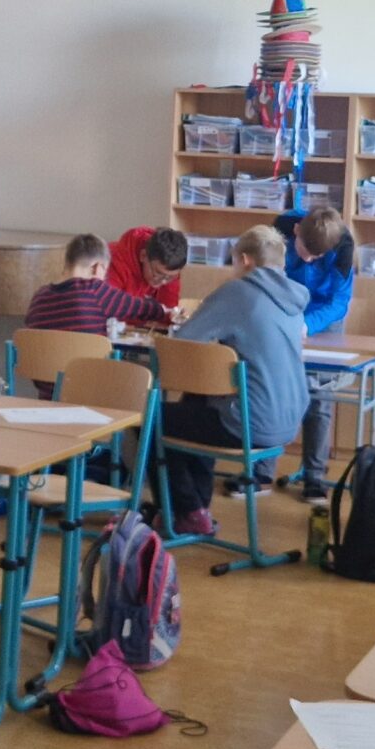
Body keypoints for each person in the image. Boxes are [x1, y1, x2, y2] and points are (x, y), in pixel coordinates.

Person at [157, 226, 310, 539]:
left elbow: (183, 342)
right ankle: (197, 510)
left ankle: (187, 510)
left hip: (250, 421)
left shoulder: (239, 291)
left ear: (245, 260)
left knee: (148, 420)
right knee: (196, 401)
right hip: (289, 421)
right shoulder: (293, 299)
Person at [282, 206, 357, 492]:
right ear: (296, 231)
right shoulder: (281, 228)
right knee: (272, 388)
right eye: (306, 252)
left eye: (318, 257)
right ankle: (260, 473)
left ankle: (314, 475)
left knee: (318, 394)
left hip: (324, 319)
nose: (310, 260)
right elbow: (268, 273)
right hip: (286, 310)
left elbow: (338, 303)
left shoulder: (343, 248)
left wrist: (307, 324)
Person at [23, 233, 174, 334]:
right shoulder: (95, 290)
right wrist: (164, 310)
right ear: (97, 267)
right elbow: (138, 307)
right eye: (105, 272)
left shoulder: (39, 296)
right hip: (87, 371)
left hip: (41, 371)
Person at [105, 225, 189, 312]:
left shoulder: (169, 270)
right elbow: (111, 308)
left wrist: (172, 314)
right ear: (143, 256)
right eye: (158, 273)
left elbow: (168, 307)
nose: (163, 282)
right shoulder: (112, 263)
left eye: (170, 277)